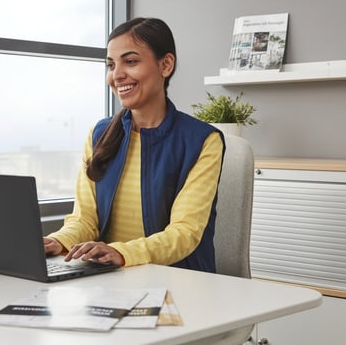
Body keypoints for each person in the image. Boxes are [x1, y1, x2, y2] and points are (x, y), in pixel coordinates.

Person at [43, 17, 225, 272]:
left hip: (179, 281)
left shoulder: (202, 141)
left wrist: (121, 251)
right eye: (110, 65)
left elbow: (185, 233)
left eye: (130, 61)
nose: (117, 75)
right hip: (110, 278)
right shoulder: (99, 134)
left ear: (166, 65)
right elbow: (85, 219)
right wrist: (57, 240)